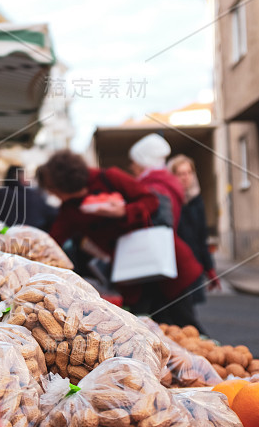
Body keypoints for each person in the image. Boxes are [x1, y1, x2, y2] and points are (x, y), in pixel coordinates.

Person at [37, 149, 204, 330]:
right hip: (131, 273)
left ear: (63, 184)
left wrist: (124, 212)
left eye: (52, 189)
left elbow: (151, 201)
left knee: (185, 324)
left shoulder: (109, 177)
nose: (52, 194)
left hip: (163, 261)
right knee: (142, 329)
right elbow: (51, 242)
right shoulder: (69, 209)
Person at [126, 134, 206, 330]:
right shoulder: (162, 184)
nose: (131, 167)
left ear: (144, 162)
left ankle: (211, 358)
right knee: (167, 324)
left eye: (134, 161)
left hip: (159, 265)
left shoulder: (155, 186)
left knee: (183, 324)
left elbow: (160, 223)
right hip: (163, 265)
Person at [168, 154, 221, 302]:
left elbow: (201, 238)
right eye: (180, 174)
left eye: (189, 173)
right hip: (175, 268)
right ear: (172, 176)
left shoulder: (197, 200)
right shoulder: (169, 200)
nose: (186, 177)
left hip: (194, 265)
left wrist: (210, 269)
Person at [0, 165, 57, 244]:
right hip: (30, 250)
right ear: (22, 178)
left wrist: (5, 231)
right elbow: (52, 218)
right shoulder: (36, 198)